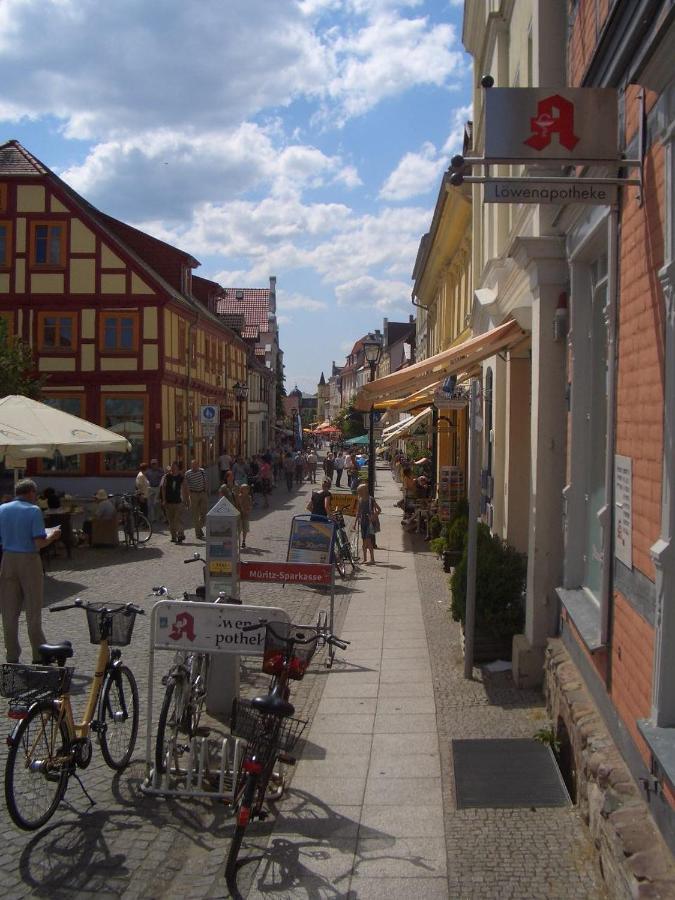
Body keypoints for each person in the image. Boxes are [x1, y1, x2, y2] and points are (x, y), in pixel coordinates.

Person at [0, 479, 61, 663]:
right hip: (28, 560)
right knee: (33, 610)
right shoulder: (33, 511)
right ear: (31, 493)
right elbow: (39, 542)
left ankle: (12, 655)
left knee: (9, 611)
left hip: (8, 558)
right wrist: (53, 536)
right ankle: (39, 653)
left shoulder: (2, 509)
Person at [355, 483, 381, 565]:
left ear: (364, 491)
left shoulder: (371, 499)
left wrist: (373, 516)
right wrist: (355, 522)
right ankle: (365, 558)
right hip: (362, 522)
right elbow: (358, 512)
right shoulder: (360, 499)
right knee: (363, 542)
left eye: (359, 492)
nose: (359, 493)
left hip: (369, 523)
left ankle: (372, 559)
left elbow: (379, 509)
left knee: (369, 541)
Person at [160, 461, 187, 543]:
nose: (173, 469)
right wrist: (164, 500)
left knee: (177, 520)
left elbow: (185, 488)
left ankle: (180, 535)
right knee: (171, 521)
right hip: (168, 502)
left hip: (178, 502)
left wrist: (186, 500)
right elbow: (163, 488)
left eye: (174, 467)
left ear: (177, 468)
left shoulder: (181, 477)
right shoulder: (167, 477)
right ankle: (173, 537)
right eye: (172, 467)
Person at [184, 458, 208, 540]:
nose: (194, 467)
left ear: (198, 465)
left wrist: (206, 491)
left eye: (195, 465)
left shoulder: (202, 471)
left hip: (202, 493)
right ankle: (198, 533)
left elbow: (205, 481)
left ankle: (199, 527)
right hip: (193, 494)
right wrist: (187, 497)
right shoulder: (187, 473)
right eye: (192, 465)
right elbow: (186, 486)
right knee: (195, 514)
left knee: (204, 513)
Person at [145, 459, 164, 524]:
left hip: (157, 488)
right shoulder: (148, 471)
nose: (154, 465)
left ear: (157, 464)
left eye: (155, 464)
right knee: (150, 504)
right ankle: (153, 518)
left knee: (157, 503)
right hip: (150, 488)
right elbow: (145, 478)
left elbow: (163, 478)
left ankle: (160, 516)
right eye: (152, 464)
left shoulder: (160, 471)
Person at [236, 483, 252, 549]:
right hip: (239, 515)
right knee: (239, 529)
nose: (246, 490)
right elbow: (237, 505)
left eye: (247, 489)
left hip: (246, 515)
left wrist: (248, 510)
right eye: (244, 489)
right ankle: (237, 542)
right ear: (241, 489)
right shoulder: (239, 496)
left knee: (245, 529)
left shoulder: (249, 497)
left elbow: (250, 505)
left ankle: (243, 541)